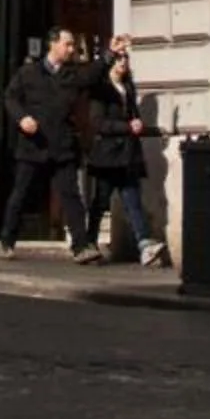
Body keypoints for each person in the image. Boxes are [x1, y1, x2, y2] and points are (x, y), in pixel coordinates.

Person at [0, 29, 100, 262]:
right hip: (33, 145)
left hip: (62, 146)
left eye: (72, 45)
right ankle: (7, 241)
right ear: (53, 44)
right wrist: (22, 118)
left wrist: (110, 55)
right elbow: (10, 97)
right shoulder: (29, 72)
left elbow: (92, 74)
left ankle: (80, 247)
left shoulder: (71, 74)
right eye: (67, 44)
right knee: (20, 194)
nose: (71, 49)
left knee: (71, 196)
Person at [86, 34, 164, 267]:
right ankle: (89, 242)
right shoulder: (101, 90)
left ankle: (144, 245)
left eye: (126, 58)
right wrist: (127, 127)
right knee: (100, 201)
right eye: (119, 58)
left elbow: (133, 118)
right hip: (107, 156)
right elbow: (98, 122)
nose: (123, 62)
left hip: (127, 155)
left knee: (133, 200)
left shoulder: (128, 89)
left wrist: (142, 126)